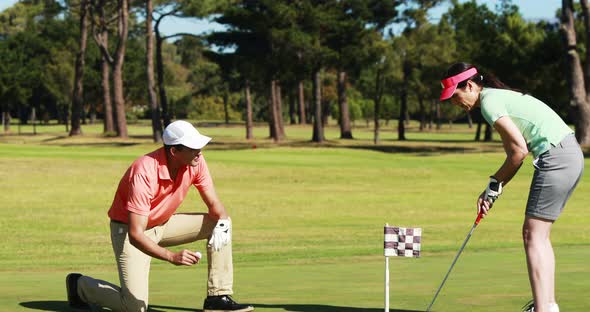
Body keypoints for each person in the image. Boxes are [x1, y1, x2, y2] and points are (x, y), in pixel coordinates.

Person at [65, 120, 254, 312]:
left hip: (163, 225)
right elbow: (136, 234)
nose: (200, 152)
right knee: (134, 308)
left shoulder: (196, 162)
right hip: (129, 233)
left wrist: (222, 222)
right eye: (193, 147)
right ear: (174, 152)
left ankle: (218, 297)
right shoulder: (143, 172)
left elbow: (214, 205)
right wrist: (171, 257)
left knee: (221, 224)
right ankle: (80, 286)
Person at [440, 63, 584, 312]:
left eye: (455, 94)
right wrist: (494, 187)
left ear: (471, 86)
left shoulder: (488, 102)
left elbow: (519, 151)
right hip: (569, 153)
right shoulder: (496, 97)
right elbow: (513, 152)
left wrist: (493, 185)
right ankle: (548, 306)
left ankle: (542, 309)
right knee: (539, 235)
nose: (454, 102)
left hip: (556, 156)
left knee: (532, 234)